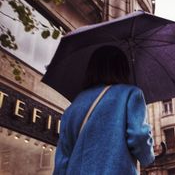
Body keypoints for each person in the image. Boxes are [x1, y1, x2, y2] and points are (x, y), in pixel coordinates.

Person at [53, 46, 155, 175]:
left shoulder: (73, 107)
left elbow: (62, 158)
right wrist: (149, 158)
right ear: (122, 68)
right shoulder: (131, 94)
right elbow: (138, 136)